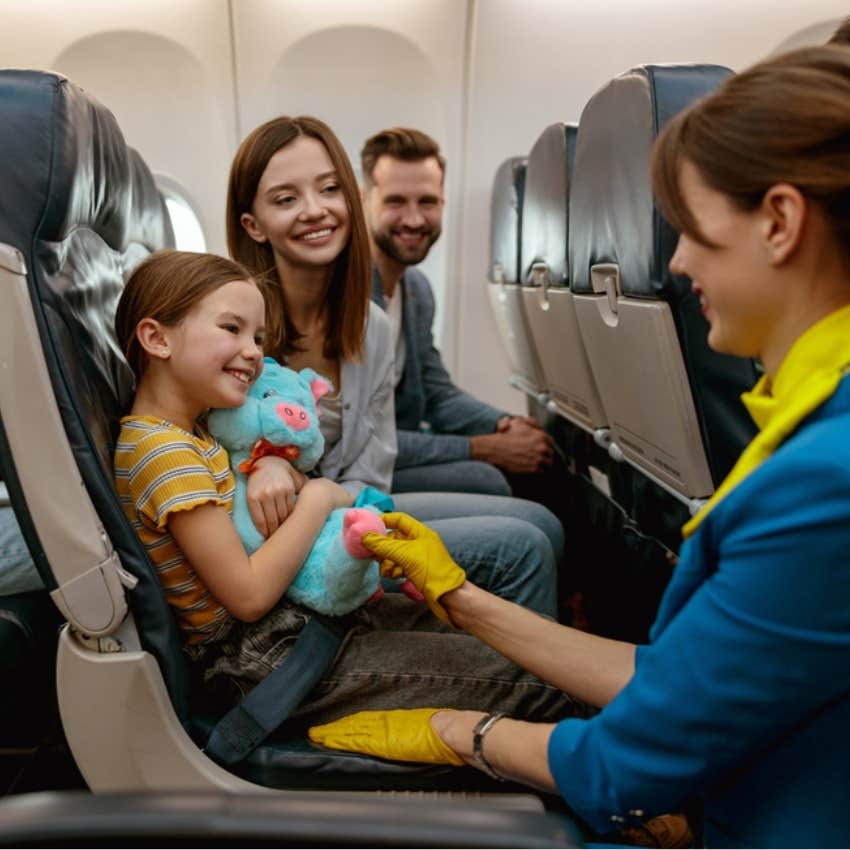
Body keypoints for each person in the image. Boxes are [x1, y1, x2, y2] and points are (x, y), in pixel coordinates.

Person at [307, 46, 850, 848]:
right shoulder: (808, 425)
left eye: (692, 227)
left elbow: (622, 768)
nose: (674, 261)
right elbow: (668, 681)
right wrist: (458, 595)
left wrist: (464, 733)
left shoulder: (821, 482)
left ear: (779, 221)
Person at [113, 248, 580, 724]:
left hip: (293, 625)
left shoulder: (197, 428)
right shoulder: (163, 454)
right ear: (156, 338)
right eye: (232, 329)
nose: (254, 352)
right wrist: (318, 497)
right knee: (539, 682)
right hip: (259, 661)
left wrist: (287, 472)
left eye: (257, 335)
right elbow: (248, 595)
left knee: (517, 642)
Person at [226, 115, 563, 619]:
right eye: (286, 199)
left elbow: (373, 473)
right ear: (252, 224)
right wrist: (274, 468)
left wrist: (327, 498)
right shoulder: (230, 325)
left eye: (328, 189)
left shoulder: (371, 327)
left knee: (544, 524)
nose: (315, 211)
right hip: (271, 538)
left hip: (348, 511)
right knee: (522, 546)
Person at [360, 127, 553, 497]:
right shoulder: (349, 297)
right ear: (364, 200)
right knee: (488, 479)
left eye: (427, 202)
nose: (414, 219)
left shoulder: (415, 290)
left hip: (397, 453)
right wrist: (481, 448)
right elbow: (358, 437)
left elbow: (436, 394)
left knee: (538, 463)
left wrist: (505, 424)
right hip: (356, 473)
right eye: (396, 201)